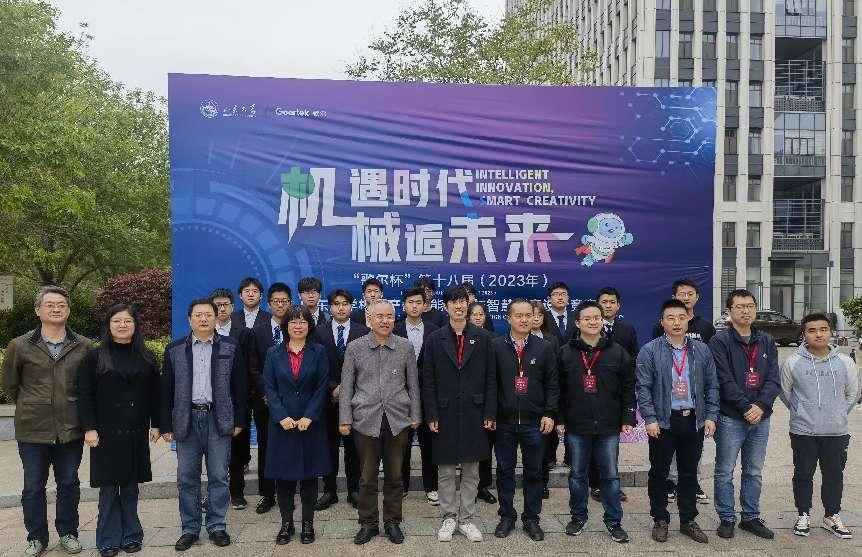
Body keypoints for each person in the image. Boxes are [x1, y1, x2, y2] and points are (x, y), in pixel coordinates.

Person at [2, 286, 91, 557]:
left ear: (68, 310)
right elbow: (10, 384)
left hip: (70, 428)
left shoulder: (83, 345)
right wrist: (34, 404)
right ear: (38, 310)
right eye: (50, 304)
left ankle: (68, 533)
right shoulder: (19, 345)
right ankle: (36, 537)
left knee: (69, 483)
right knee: (33, 487)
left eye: (61, 305)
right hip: (33, 429)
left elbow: (88, 385)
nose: (56, 309)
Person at [160, 298, 248, 551]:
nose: (204, 319)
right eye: (198, 315)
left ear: (216, 317)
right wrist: (165, 424)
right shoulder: (175, 349)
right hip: (186, 420)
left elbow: (241, 386)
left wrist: (240, 420)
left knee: (219, 475)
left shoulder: (230, 346)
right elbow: (165, 390)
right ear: (189, 320)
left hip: (218, 419)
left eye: (208, 314)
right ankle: (190, 528)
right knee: (187, 477)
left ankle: (217, 525)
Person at [77, 305, 160, 557]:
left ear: (135, 325)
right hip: (106, 433)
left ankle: (132, 535)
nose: (122, 325)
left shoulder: (146, 356)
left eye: (127, 321)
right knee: (109, 488)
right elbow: (85, 395)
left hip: (135, 431)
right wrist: (89, 428)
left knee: (131, 487)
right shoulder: (95, 357)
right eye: (117, 321)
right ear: (108, 325)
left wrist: (156, 424)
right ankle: (108, 539)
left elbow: (156, 394)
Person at [636, 299, 718, 544]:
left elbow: (712, 385)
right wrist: (650, 418)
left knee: (689, 473)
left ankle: (688, 520)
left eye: (681, 318)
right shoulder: (650, 350)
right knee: (659, 473)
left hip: (693, 420)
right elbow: (643, 388)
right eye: (670, 318)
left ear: (688, 320)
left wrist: (711, 415)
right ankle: (660, 519)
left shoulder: (701, 350)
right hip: (663, 422)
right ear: (662, 322)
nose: (676, 322)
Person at [340, 300, 421, 545]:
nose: (385, 321)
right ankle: (368, 523)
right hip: (365, 420)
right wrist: (345, 419)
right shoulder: (355, 347)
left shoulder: (405, 346)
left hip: (398, 420)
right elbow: (347, 387)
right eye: (380, 316)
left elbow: (413, 384)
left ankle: (393, 522)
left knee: (395, 476)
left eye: (389, 316)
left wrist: (415, 415)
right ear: (370, 319)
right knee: (367, 477)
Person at [422, 285, 497, 543]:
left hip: (475, 412)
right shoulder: (435, 338)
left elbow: (491, 378)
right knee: (445, 469)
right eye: (453, 302)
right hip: (444, 413)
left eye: (462, 301)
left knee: (471, 469)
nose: (458, 306)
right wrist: (431, 413)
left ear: (468, 304)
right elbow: (428, 380)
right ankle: (448, 517)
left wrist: (490, 411)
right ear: (446, 306)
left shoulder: (483, 338)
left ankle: (466, 518)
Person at [556, 301, 634, 543]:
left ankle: (614, 522)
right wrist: (559, 417)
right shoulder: (565, 353)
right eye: (587, 318)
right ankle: (578, 518)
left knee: (610, 476)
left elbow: (628, 387)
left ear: (602, 321)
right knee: (577, 475)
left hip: (608, 425)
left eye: (597, 318)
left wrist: (628, 417)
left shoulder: (617, 351)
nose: (593, 321)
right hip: (576, 425)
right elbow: (557, 389)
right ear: (578, 323)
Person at [709, 289, 781, 540]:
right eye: (739, 306)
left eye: (750, 306)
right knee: (725, 470)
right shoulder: (719, 341)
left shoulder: (766, 340)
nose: (745, 311)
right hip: (731, 417)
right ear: (729, 311)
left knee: (753, 471)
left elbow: (774, 378)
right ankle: (727, 518)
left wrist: (760, 406)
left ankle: (750, 517)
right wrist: (745, 407)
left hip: (761, 418)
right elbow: (723, 379)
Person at [780, 313, 859, 539]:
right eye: (812, 330)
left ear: (831, 332)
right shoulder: (792, 362)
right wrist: (802, 412)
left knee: (834, 475)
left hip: (836, 431)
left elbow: (853, 393)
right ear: (804, 334)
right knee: (803, 474)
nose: (818, 334)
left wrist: (837, 413)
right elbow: (785, 393)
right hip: (803, 431)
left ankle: (831, 515)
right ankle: (803, 514)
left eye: (823, 329)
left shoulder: (845, 362)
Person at [491, 299, 558, 541]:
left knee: (534, 472)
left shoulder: (544, 347)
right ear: (508, 318)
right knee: (504, 470)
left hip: (534, 422)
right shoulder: (496, 346)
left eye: (528, 315)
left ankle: (531, 518)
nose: (524, 319)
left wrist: (550, 413)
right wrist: (490, 415)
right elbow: (490, 384)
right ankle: (507, 517)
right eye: (518, 315)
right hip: (504, 421)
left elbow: (553, 384)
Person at [263, 307, 330, 545]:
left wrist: (309, 416)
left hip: (310, 425)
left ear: (309, 326)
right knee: (284, 478)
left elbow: (322, 386)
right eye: (293, 322)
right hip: (282, 425)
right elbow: (269, 387)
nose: (298, 326)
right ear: (286, 326)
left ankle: (308, 523)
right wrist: (281, 416)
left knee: (309, 477)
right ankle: (286, 523)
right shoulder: (273, 353)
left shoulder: (319, 351)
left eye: (302, 322)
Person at [651, 278, 715, 504]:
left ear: (697, 297)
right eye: (681, 294)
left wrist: (710, 410)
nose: (686, 297)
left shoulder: (705, 327)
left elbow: (710, 372)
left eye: (690, 294)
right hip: (668, 405)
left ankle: (692, 487)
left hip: (694, 404)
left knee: (692, 454)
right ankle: (670, 486)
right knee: (666, 454)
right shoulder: (659, 331)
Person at [313, 289, 368, 510]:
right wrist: (331, 387)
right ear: (330, 307)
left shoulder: (363, 331)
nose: (341, 308)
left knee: (354, 447)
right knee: (329, 447)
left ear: (351, 306)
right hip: (327, 400)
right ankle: (330, 490)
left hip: (356, 400)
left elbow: (366, 367)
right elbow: (315, 365)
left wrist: (347, 388)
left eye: (345, 303)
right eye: (336, 304)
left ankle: (354, 490)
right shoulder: (319, 332)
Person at [246, 283, 293, 514]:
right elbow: (253, 367)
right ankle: (267, 494)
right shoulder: (258, 331)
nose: (280, 305)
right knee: (266, 446)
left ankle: (289, 491)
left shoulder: (297, 328)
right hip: (264, 401)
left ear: (290, 303)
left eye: (284, 301)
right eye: (276, 301)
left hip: (293, 401)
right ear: (269, 304)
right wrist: (267, 393)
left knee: (291, 446)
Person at [590, 286, 637, 503]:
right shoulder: (587, 326)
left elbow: (634, 358)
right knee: (590, 441)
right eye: (604, 302)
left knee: (610, 443)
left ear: (618, 306)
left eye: (612, 302)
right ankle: (595, 484)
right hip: (589, 392)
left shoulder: (627, 329)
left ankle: (611, 484)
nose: (608, 306)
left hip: (614, 395)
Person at [393, 287, 439, 505]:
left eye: (418, 302)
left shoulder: (434, 330)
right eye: (410, 302)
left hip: (427, 393)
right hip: (400, 394)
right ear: (404, 305)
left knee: (429, 443)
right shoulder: (395, 328)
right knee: (401, 443)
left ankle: (431, 487)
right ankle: (402, 485)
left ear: (425, 305)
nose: (414, 306)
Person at [209, 288, 254, 511]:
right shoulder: (204, 332)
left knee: (237, 450)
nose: (221, 308)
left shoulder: (243, 333)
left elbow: (246, 370)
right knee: (212, 452)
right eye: (217, 305)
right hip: (209, 400)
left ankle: (237, 493)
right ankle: (213, 494)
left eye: (225, 304)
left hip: (235, 398)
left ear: (233, 307)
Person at [531, 300, 561, 497]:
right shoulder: (516, 339)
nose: (535, 318)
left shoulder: (551, 340)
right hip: (524, 399)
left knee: (544, 445)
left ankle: (542, 482)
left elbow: (556, 373)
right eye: (532, 314)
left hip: (545, 401)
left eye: (539, 315)